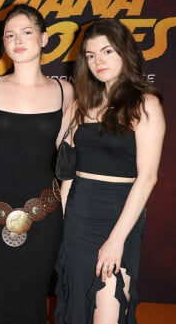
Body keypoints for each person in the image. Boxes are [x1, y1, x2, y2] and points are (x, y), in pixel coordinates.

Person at [0, 4, 74, 324]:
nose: (17, 40)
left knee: (33, 306)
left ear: (43, 38)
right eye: (9, 35)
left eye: (26, 32)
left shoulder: (65, 91)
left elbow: (71, 159)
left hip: (44, 218)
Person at [55, 18, 165, 324]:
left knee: (109, 311)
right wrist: (62, 221)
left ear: (124, 53)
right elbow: (68, 172)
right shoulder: (82, 105)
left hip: (120, 217)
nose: (98, 61)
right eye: (90, 56)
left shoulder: (145, 105)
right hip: (77, 215)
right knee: (76, 306)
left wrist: (116, 240)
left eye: (106, 52)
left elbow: (147, 178)